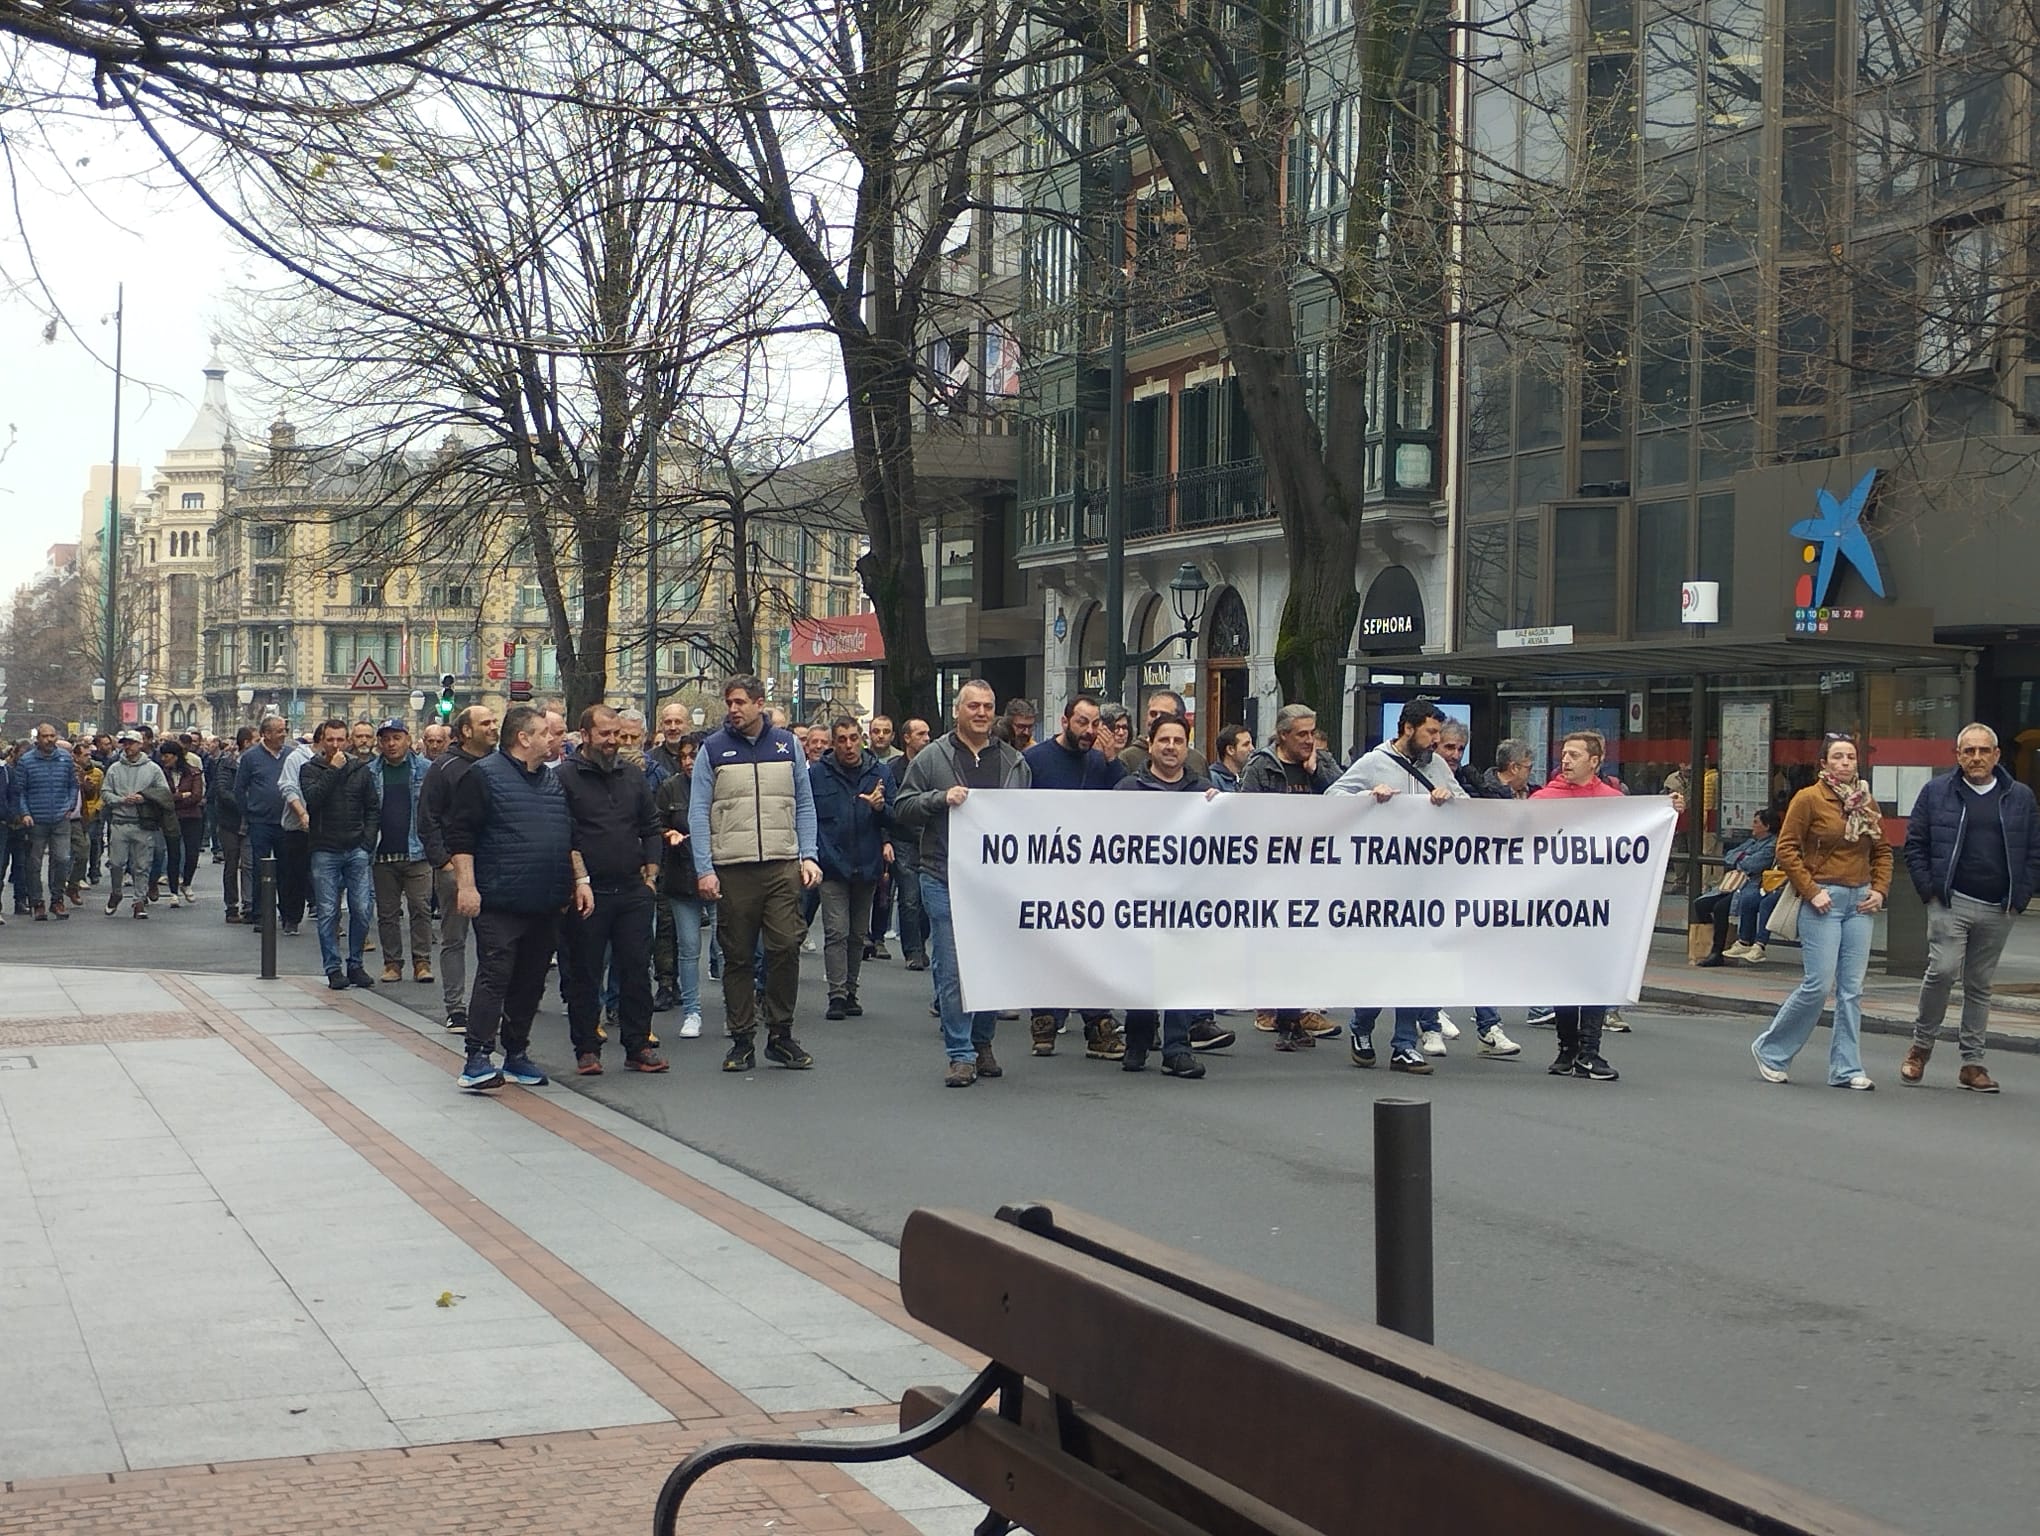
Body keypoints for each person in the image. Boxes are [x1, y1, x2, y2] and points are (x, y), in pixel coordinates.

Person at [1330, 702, 1522, 1070]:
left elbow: (1465, 806)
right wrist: (1368, 798)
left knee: (1415, 966)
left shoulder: (1436, 767)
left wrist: (1449, 800)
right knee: (1382, 966)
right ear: (1408, 728)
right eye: (1431, 732)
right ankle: (1362, 1025)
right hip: (1383, 886)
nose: (1436, 740)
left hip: (1426, 885)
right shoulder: (1374, 763)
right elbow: (1332, 798)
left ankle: (1404, 1044)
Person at [895, 679, 1031, 1086]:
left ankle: (982, 1041)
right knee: (954, 967)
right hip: (943, 875)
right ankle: (959, 1053)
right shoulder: (932, 757)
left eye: (988, 706)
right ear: (957, 710)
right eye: (974, 706)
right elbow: (902, 807)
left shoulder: (1013, 762)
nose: (982, 713)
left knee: (989, 964)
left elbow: (1029, 816)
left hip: (994, 881)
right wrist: (939, 799)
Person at [689, 675, 821, 1074]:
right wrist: (705, 868)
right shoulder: (713, 749)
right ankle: (742, 1039)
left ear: (759, 704)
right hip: (733, 868)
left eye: (741, 702)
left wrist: (809, 855)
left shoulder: (787, 745)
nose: (733, 709)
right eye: (729, 702)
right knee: (738, 956)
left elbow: (804, 803)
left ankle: (780, 1034)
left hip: (781, 863)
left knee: (785, 946)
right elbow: (698, 811)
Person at [1530, 730, 1679, 1082]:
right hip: (1558, 905)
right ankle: (1567, 1049)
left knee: (1595, 976)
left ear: (1595, 761)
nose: (1566, 760)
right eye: (1564, 754)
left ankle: (1589, 1051)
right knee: (1564, 978)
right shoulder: (1544, 799)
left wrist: (1668, 811)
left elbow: (1642, 834)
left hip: (1600, 906)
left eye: (1575, 755)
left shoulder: (1613, 801)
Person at [1899, 723, 2040, 1092]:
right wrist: (1930, 891)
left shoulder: (2020, 796)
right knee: (1942, 970)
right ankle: (1921, 1047)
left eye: (1984, 750)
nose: (1976, 757)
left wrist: (2020, 898)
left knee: (1979, 983)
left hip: (1999, 906)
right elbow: (1916, 844)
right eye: (1969, 751)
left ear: (1997, 755)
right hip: (1951, 901)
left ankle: (1972, 1063)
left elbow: (2034, 850)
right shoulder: (1936, 792)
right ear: (1958, 756)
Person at [1750, 732, 1890, 1091]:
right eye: (1838, 757)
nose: (1845, 763)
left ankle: (1846, 1068)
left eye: (1850, 757)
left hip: (1860, 901)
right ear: (1824, 763)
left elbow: (1882, 851)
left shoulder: (1866, 802)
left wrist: (1879, 889)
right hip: (1823, 901)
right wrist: (1812, 891)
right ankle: (1771, 1051)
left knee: (1852, 989)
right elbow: (1786, 849)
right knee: (1818, 984)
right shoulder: (1809, 798)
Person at [446, 704, 574, 1092]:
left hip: (544, 901)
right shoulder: (483, 776)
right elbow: (461, 836)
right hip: (500, 901)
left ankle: (516, 1052)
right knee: (495, 975)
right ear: (523, 738)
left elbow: (566, 834)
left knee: (531, 981)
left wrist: (574, 882)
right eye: (545, 733)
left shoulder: (551, 781)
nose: (552, 739)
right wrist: (466, 886)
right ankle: (477, 1057)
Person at [1112, 713, 1231, 1075]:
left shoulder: (1203, 791)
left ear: (1187, 747)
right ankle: (1138, 1039)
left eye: (1179, 741)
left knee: (1181, 972)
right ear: (1150, 744)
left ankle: (1177, 1049)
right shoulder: (1128, 790)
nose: (1171, 747)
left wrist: (1220, 808)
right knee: (1143, 972)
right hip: (1140, 897)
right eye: (1164, 740)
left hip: (1187, 898)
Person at [559, 705, 668, 1075]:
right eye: (604, 734)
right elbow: (564, 834)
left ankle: (638, 1046)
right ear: (585, 735)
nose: (611, 741)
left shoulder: (632, 776)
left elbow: (650, 826)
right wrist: (578, 881)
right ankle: (587, 1048)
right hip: (588, 892)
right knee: (585, 972)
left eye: (616, 734)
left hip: (633, 890)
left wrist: (651, 876)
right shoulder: (564, 777)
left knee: (637, 969)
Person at [1021, 693, 1128, 1058]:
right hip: (1046, 872)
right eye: (1082, 722)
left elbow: (1128, 804)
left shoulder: (1100, 761)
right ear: (1065, 722)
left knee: (1092, 952)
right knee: (1049, 949)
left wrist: (1112, 760)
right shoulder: (1034, 760)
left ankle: (1098, 1026)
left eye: (1096, 724)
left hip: (1092, 875)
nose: (1090, 731)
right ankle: (1044, 1021)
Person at [1239, 704, 1340, 1050]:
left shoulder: (1322, 762)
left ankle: (1293, 1014)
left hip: (1312, 870)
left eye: (1312, 733)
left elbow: (1345, 799)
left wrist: (1317, 771)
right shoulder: (1262, 767)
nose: (1309, 740)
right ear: (1283, 735)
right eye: (1302, 734)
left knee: (1304, 944)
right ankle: (1284, 1017)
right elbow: (1246, 814)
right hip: (1273, 871)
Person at [419, 704, 497, 1034]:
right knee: (454, 938)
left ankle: (490, 1006)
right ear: (466, 731)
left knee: (496, 941)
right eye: (486, 723)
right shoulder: (444, 767)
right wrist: (444, 862)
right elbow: (427, 818)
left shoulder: (499, 764)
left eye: (494, 722)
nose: (493, 727)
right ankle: (456, 1008)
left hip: (494, 867)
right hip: (454, 868)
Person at [811, 715, 892, 1020]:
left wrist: (880, 808)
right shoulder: (818, 774)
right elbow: (807, 816)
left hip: (867, 864)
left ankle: (851, 990)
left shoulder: (880, 773)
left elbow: (898, 818)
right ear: (833, 743)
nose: (848, 745)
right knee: (837, 931)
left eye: (853, 738)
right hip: (832, 864)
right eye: (842, 739)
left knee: (858, 934)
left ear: (862, 739)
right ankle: (836, 994)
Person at [300, 719, 379, 991]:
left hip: (356, 847)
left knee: (362, 908)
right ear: (322, 741)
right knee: (327, 911)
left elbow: (372, 808)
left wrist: (367, 842)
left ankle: (355, 963)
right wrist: (333, 770)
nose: (335, 745)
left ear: (347, 741)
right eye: (330, 740)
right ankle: (333, 967)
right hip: (325, 848)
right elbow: (313, 799)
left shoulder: (361, 770)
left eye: (340, 740)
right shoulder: (310, 769)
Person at [369, 720, 434, 983]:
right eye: (386, 739)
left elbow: (435, 808)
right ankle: (392, 963)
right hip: (382, 853)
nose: (391, 744)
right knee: (387, 913)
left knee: (420, 909)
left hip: (417, 852)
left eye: (396, 738)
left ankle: (422, 962)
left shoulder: (425, 769)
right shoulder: (371, 772)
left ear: (408, 739)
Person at [655, 729, 710, 1041]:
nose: (688, 762)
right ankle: (692, 1011)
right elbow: (656, 823)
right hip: (681, 876)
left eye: (694, 756)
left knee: (726, 947)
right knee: (688, 948)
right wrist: (668, 834)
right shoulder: (670, 787)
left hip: (716, 874)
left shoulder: (718, 785)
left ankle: (735, 1010)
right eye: (684, 757)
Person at [1692, 808, 1780, 967]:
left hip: (1750, 886)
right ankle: (1713, 942)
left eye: (1756, 822)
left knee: (1720, 907)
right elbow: (1730, 855)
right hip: (1734, 884)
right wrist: (1743, 858)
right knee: (1701, 904)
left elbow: (1753, 864)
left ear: (1767, 826)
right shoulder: (1752, 841)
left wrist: (1742, 859)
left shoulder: (1771, 845)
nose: (1752, 825)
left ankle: (1717, 951)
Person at [102, 731, 171, 919]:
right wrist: (120, 800)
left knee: (142, 865)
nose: (128, 747)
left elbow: (164, 792)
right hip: (120, 821)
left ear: (140, 745)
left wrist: (144, 798)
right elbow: (105, 792)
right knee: (116, 863)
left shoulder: (153, 769)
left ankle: (139, 900)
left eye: (131, 743)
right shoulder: (115, 768)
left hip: (143, 822)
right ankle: (116, 892)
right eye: (125, 743)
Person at [12, 721, 76, 919]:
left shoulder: (65, 759)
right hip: (36, 820)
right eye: (45, 736)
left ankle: (57, 900)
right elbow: (20, 791)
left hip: (60, 817)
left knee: (62, 859)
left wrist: (70, 805)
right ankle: (37, 901)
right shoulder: (26, 761)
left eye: (52, 736)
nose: (49, 739)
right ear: (37, 739)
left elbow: (73, 785)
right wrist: (25, 813)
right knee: (34, 863)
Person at [890, 717, 932, 971]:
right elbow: (891, 806)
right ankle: (913, 951)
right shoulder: (894, 769)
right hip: (903, 838)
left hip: (929, 838)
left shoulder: (932, 765)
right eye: (920, 734)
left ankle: (921, 941)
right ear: (907, 738)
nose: (926, 739)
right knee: (909, 897)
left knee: (926, 899)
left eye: (927, 734)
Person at [1119, 690, 1208, 778]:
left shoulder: (1197, 761)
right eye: (1153, 714)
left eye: (1164, 715)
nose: (1156, 719)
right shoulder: (1128, 758)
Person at [158, 740, 206, 905]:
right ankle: (173, 891)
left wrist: (175, 799)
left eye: (167, 756)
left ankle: (186, 882)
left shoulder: (194, 772)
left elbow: (196, 796)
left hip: (192, 817)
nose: (164, 759)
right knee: (173, 853)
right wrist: (180, 796)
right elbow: (162, 796)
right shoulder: (161, 774)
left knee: (192, 853)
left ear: (176, 756)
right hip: (171, 817)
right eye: (162, 756)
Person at [1208, 723, 1252, 792]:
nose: (1252, 748)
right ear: (1230, 750)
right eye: (1246, 744)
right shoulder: (1213, 779)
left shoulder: (1238, 780)